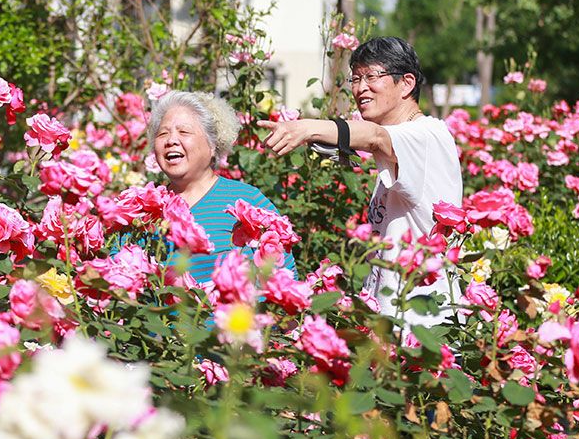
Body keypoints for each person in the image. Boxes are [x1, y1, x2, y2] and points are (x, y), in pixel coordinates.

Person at [257, 37, 463, 330]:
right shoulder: (404, 144)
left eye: (371, 77)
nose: (360, 88)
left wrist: (307, 128)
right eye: (355, 78)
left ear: (406, 83)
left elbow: (375, 136)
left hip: (424, 324)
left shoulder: (427, 135)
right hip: (393, 322)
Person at [148, 90, 297, 286]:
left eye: (183, 132)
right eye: (163, 133)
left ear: (213, 145)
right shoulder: (146, 208)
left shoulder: (247, 202)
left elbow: (285, 281)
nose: (171, 141)